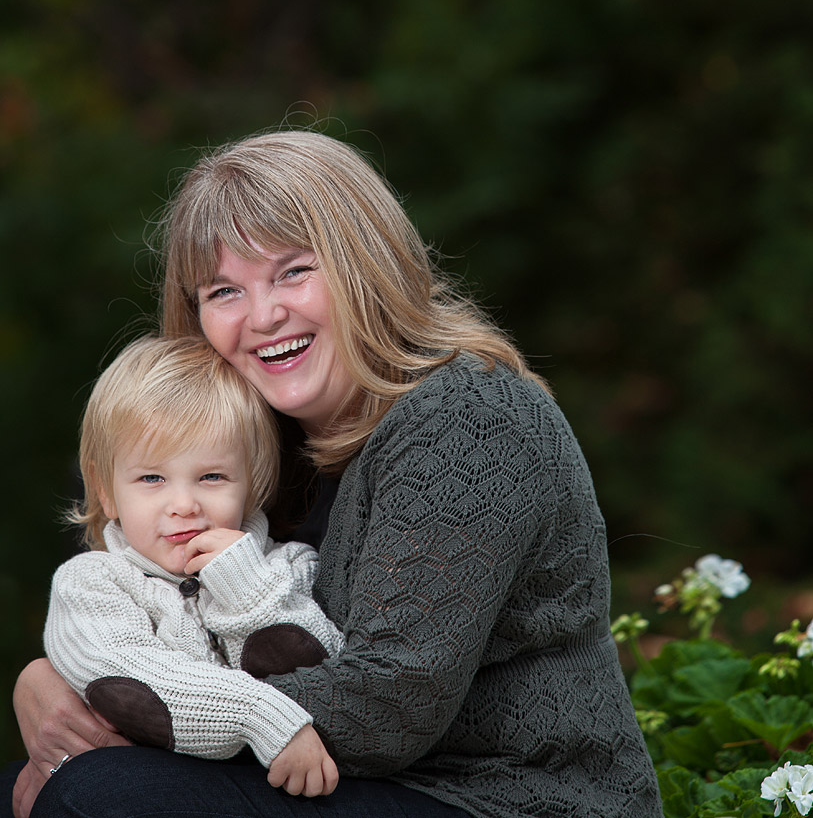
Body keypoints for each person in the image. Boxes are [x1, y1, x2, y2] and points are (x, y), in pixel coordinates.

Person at [9, 127, 663, 818]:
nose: (263, 316)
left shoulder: (470, 418)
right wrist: (48, 675)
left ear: (364, 264)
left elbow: (385, 708)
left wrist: (128, 706)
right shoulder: (246, 445)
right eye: (224, 291)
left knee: (102, 796)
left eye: (292, 271)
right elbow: (147, 604)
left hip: (504, 799)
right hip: (346, 784)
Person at [43, 335, 345, 795]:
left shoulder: (290, 567)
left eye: (211, 477)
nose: (183, 504)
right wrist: (262, 717)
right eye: (151, 478)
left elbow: (327, 666)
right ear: (106, 491)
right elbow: (132, 679)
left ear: (252, 483)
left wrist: (242, 585)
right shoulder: (91, 583)